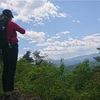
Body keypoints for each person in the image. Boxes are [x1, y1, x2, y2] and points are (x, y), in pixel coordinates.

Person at [1, 9, 25, 92]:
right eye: (11, 17)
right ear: (9, 16)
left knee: (5, 69)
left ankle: (4, 90)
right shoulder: (11, 24)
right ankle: (10, 90)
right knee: (12, 68)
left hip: (3, 48)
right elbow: (23, 31)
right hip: (12, 47)